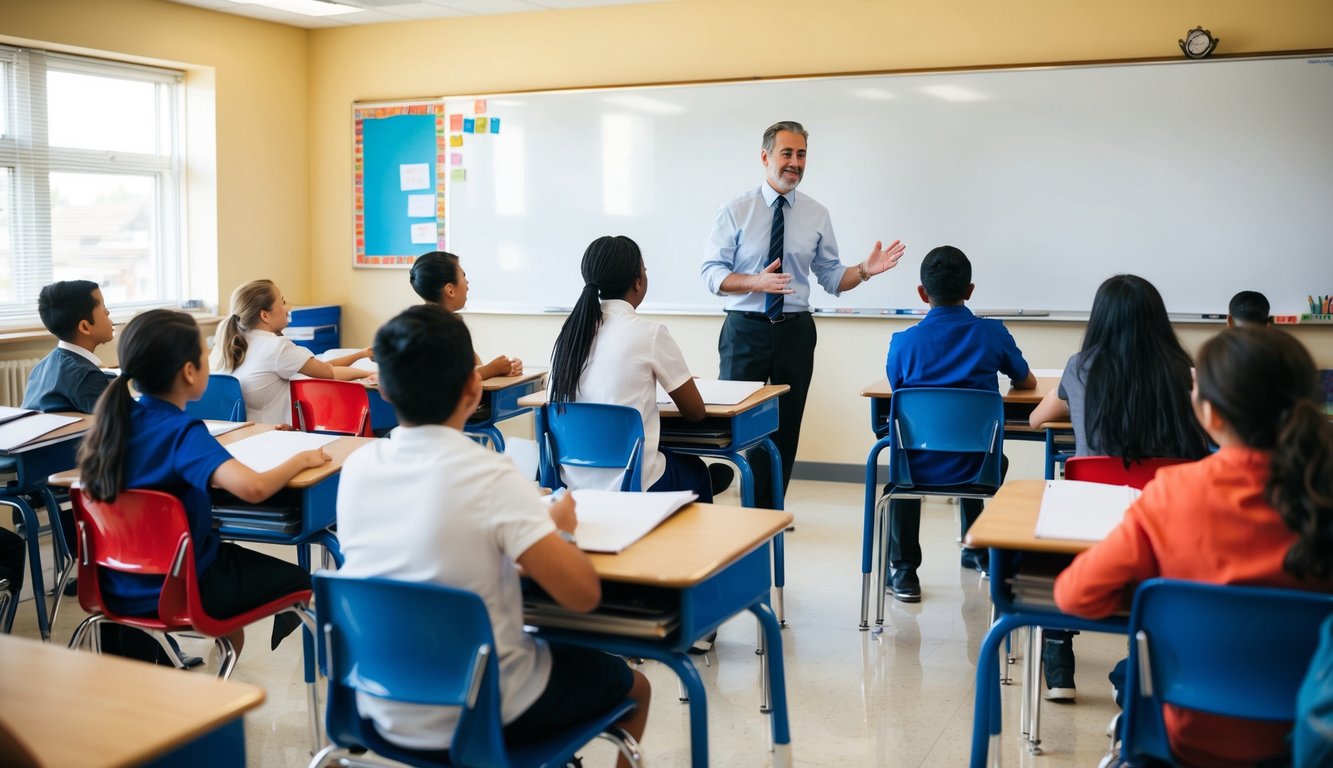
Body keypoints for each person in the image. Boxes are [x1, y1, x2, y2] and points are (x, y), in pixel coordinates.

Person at [337, 305, 650, 762]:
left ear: (382, 387)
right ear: (473, 386)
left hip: (377, 700)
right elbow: (581, 595)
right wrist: (556, 530)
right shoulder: (491, 476)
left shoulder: (359, 466)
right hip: (484, 708)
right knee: (634, 686)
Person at [1054, 326, 1333, 767]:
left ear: (1211, 416)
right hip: (1309, 741)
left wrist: (1146, 596)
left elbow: (1075, 594)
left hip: (1183, 742)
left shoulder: (1172, 495)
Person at [77, 309, 328, 656]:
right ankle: (221, 701)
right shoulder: (183, 432)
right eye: (205, 355)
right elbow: (252, 489)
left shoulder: (112, 422)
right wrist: (301, 458)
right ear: (189, 371)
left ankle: (213, 695)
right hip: (186, 586)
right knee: (306, 581)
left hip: (116, 585)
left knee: (232, 614)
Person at [702, 120, 905, 509]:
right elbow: (712, 274)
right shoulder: (735, 210)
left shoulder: (816, 214)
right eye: (787, 153)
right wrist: (754, 283)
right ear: (765, 157)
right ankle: (733, 499)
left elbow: (831, 277)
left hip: (795, 331)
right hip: (744, 329)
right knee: (736, 420)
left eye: (801, 155)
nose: (795, 163)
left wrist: (864, 270)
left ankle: (766, 510)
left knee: (785, 426)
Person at [1028, 274, 1212, 701]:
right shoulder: (1185, 375)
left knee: (1047, 536)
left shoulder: (1079, 368)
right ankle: (1136, 668)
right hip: (1166, 529)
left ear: (1101, 320)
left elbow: (1037, 419)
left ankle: (1059, 663)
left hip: (1092, 524)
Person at [882, 245, 1036, 602]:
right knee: (983, 449)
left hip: (917, 466)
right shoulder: (992, 334)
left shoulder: (902, 343)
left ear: (922, 293)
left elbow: (896, 387)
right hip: (978, 465)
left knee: (900, 459)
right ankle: (978, 550)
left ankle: (904, 573)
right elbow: (1025, 380)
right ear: (970, 290)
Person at [550, 235, 718, 500]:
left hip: (569, 484)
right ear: (638, 282)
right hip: (633, 482)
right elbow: (695, 412)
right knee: (697, 470)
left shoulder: (568, 336)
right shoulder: (649, 333)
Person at [212, 279, 372, 425]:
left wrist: (361, 354)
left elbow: (320, 366)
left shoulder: (233, 344)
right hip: (272, 439)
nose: (288, 308)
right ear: (264, 315)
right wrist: (366, 373)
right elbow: (328, 372)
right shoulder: (276, 346)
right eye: (282, 303)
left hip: (244, 439)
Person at [410, 250, 523, 380]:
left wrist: (503, 368)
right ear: (450, 290)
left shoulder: (453, 324)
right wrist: (492, 369)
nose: (467, 283)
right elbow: (447, 380)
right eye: (463, 276)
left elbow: (475, 367)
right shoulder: (427, 329)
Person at [22, 280, 114, 414]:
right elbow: (119, 424)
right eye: (103, 308)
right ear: (85, 327)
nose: (108, 312)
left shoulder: (42, 366)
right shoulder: (87, 376)